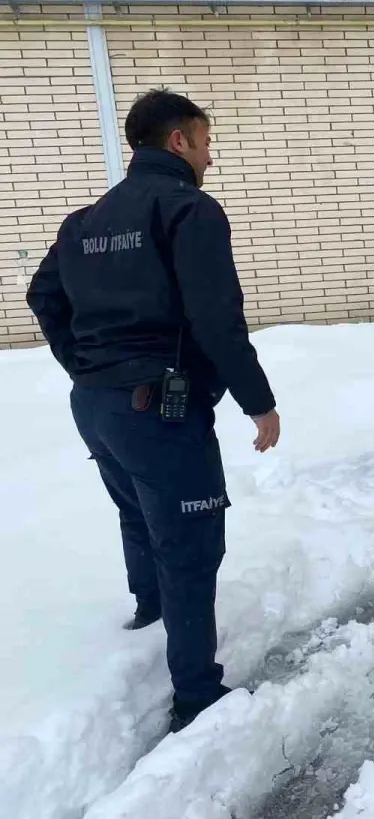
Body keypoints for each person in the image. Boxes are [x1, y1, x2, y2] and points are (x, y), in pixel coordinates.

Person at [25, 89, 280, 733]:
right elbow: (216, 319)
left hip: (99, 406)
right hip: (159, 411)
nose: (209, 154)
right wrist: (260, 403)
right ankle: (196, 695)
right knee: (191, 545)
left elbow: (42, 294)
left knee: (138, 513)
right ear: (178, 141)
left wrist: (86, 367)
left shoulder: (86, 220)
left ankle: (150, 614)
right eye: (204, 140)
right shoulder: (187, 209)